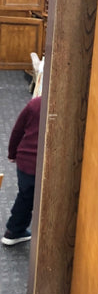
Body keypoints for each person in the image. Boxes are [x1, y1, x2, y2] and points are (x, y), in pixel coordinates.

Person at [2, 95, 41, 246]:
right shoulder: (67, 109)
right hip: (42, 164)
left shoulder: (35, 104)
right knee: (30, 198)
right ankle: (13, 231)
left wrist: (12, 153)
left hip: (25, 161)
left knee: (25, 196)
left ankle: (15, 230)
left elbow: (17, 131)